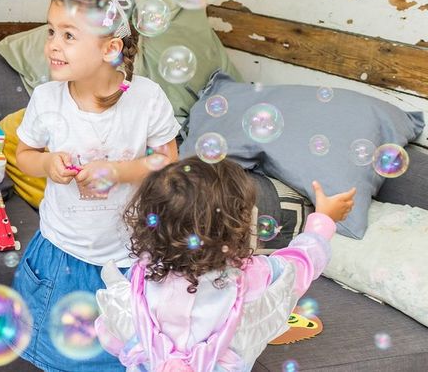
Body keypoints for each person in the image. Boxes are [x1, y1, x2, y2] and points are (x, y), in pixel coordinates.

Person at [13, 0, 181, 371]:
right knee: (56, 356)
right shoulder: (48, 99)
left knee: (119, 358)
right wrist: (48, 163)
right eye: (51, 31)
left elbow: (168, 159)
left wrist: (118, 171)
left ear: (110, 48)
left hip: (129, 257)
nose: (53, 44)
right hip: (62, 255)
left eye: (69, 35)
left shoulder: (146, 98)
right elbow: (23, 156)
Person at [95, 157, 356, 371]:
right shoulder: (252, 275)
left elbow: (116, 332)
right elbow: (302, 262)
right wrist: (322, 220)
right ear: (237, 226)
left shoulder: (142, 274)